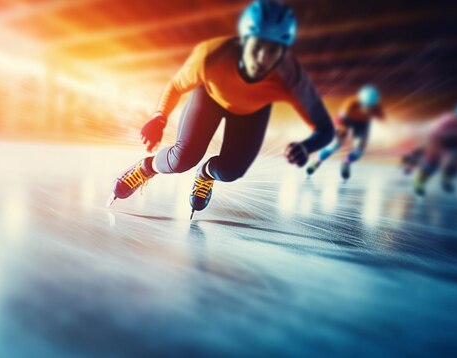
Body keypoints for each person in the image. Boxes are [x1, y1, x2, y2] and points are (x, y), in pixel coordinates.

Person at [108, 0, 334, 218]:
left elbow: (325, 129)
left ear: (284, 52)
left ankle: (205, 174)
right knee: (181, 159)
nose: (263, 59)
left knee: (230, 172)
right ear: (244, 41)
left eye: (273, 50)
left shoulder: (291, 77)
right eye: (257, 47)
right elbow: (177, 86)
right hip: (210, 97)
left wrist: (307, 146)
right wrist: (159, 118)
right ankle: (147, 167)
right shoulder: (211, 56)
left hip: (252, 111)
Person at [306, 85, 385, 179]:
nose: (367, 109)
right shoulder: (350, 104)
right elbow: (339, 120)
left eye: (370, 107)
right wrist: (339, 130)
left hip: (362, 124)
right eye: (365, 105)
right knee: (335, 145)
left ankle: (346, 162)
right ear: (360, 102)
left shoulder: (376, 108)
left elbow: (384, 120)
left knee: (359, 150)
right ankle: (317, 161)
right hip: (346, 121)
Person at [413, 102, 457, 196]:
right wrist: (436, 150)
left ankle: (447, 177)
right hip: (438, 139)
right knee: (433, 162)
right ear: (456, 114)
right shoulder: (446, 120)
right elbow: (433, 136)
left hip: (454, 141)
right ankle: (420, 182)